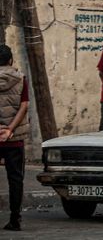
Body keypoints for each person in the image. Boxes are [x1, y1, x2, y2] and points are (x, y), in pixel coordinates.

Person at [0, 46, 29, 232]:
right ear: (11, 60)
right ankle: (15, 219)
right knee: (15, 179)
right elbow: (24, 105)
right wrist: (10, 129)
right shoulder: (21, 79)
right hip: (14, 138)